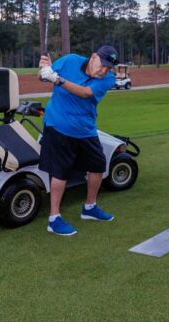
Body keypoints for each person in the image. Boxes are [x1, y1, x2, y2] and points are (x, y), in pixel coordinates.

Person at [37, 45, 119, 236]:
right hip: (58, 125)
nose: (104, 70)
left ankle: (90, 207)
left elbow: (85, 92)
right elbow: (42, 77)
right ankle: (54, 219)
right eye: (103, 65)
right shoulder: (69, 61)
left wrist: (55, 78)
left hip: (85, 129)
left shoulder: (108, 79)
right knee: (60, 172)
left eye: (109, 67)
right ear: (93, 57)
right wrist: (43, 69)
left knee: (98, 165)